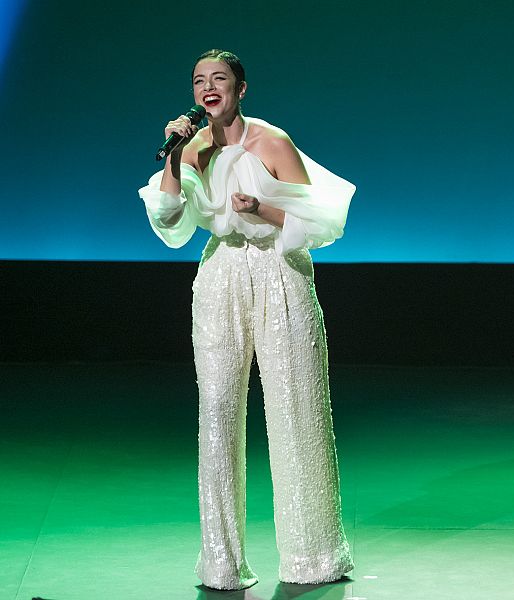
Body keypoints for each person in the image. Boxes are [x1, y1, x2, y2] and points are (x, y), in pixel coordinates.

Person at [138, 49, 354, 590]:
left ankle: (313, 557)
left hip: (280, 271)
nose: (208, 87)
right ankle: (220, 561)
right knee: (217, 414)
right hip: (220, 276)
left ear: (241, 88)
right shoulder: (190, 148)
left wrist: (264, 210)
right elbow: (168, 219)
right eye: (199, 80)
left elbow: (322, 221)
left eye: (219, 79)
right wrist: (173, 156)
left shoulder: (272, 141)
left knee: (295, 409)